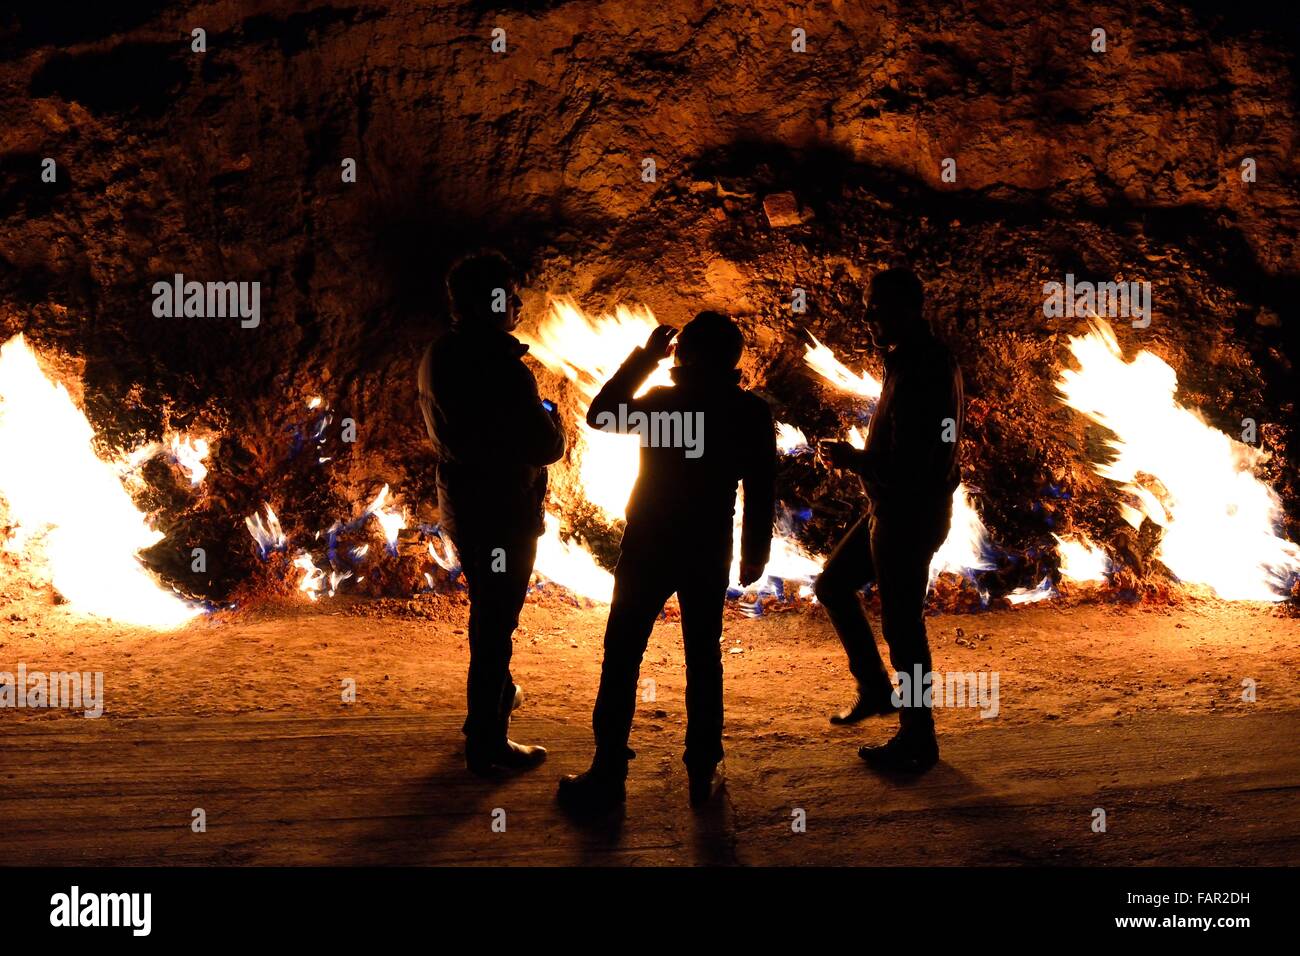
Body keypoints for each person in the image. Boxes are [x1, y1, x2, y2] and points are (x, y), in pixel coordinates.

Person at [558, 311, 776, 813]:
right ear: (732, 360)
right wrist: (754, 553)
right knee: (704, 657)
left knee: (623, 656)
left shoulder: (662, 401)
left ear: (681, 355)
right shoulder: (749, 412)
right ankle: (703, 767)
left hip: (651, 543)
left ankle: (608, 771)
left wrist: (643, 358)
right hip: (708, 545)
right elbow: (761, 486)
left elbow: (600, 414)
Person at [417, 250, 565, 775]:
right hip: (503, 509)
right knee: (496, 622)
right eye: (508, 292)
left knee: (489, 612)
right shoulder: (501, 367)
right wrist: (556, 419)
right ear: (489, 301)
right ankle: (487, 740)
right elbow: (543, 446)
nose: (518, 302)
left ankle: (494, 704)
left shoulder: (439, 353)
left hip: (462, 502)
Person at [814, 267, 964, 772]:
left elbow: (917, 461)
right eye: (867, 306)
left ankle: (919, 737)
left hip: (908, 513)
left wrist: (853, 459)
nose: (868, 316)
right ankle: (877, 689)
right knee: (834, 584)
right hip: (891, 507)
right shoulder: (907, 358)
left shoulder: (924, 367)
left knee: (904, 629)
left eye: (876, 307)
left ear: (907, 308)